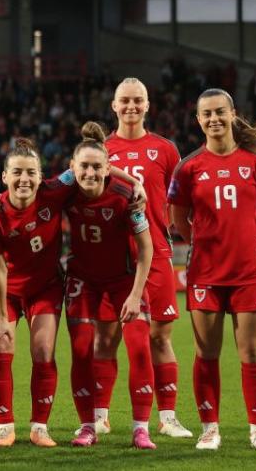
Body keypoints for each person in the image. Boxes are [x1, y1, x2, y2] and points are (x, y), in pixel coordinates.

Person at [168, 88, 256, 451]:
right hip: (205, 274)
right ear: (198, 120)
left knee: (251, 353)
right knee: (207, 354)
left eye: (220, 112)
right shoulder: (188, 167)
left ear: (233, 113)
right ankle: (209, 429)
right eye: (207, 114)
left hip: (248, 272)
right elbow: (179, 221)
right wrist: (205, 243)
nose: (214, 119)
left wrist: (250, 243)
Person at [90, 78, 192, 438]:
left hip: (157, 252)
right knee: (105, 337)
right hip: (113, 256)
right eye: (124, 101)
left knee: (160, 338)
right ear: (114, 107)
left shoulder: (166, 149)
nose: (131, 106)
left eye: (138, 101)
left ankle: (167, 417)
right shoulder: (101, 149)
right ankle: (101, 415)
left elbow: (180, 201)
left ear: (147, 105)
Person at [0, 138, 78, 448]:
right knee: (1, 346)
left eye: (31, 173)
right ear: (4, 176)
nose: (25, 179)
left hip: (45, 286)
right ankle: (4, 426)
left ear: (41, 175)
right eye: (17, 173)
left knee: (43, 351)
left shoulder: (54, 190)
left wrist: (134, 186)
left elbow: (89, 165)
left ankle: (40, 427)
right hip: (4, 289)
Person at [64, 122, 156, 450]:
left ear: (106, 169)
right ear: (72, 167)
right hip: (83, 281)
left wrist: (134, 295)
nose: (89, 173)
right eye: (83, 166)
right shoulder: (63, 189)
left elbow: (146, 249)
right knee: (81, 350)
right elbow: (26, 186)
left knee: (140, 347)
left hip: (124, 280)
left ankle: (140, 428)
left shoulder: (125, 196)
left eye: (96, 167)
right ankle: (87, 426)